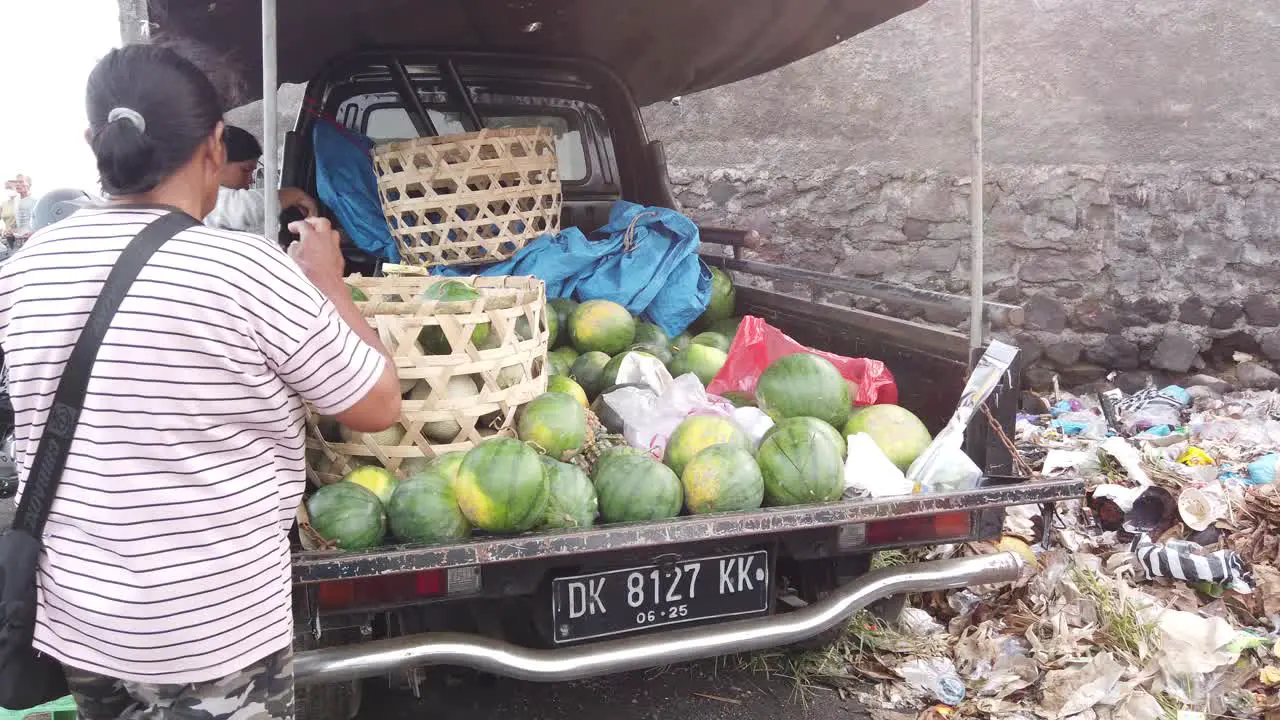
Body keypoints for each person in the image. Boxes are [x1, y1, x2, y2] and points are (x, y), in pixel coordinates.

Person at [0, 43, 403, 719]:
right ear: (215, 146)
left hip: (83, 621)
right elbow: (375, 403)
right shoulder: (242, 270)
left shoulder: (26, 268)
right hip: (211, 632)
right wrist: (329, 282)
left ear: (94, 142)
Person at [203, 124, 318, 234]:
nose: (251, 180)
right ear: (217, 163)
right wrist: (294, 195)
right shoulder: (205, 199)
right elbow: (243, 207)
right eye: (246, 170)